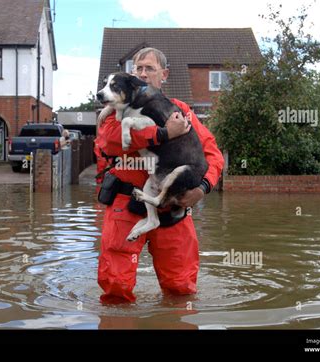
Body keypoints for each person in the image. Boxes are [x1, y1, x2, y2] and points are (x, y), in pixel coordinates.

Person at [96, 47, 224, 304]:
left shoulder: (179, 109)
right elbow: (109, 142)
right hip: (126, 205)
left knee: (182, 288)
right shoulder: (115, 108)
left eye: (149, 68)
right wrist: (163, 134)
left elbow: (213, 155)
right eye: (138, 68)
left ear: (164, 75)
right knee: (116, 289)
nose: (142, 74)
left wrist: (201, 189)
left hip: (173, 207)